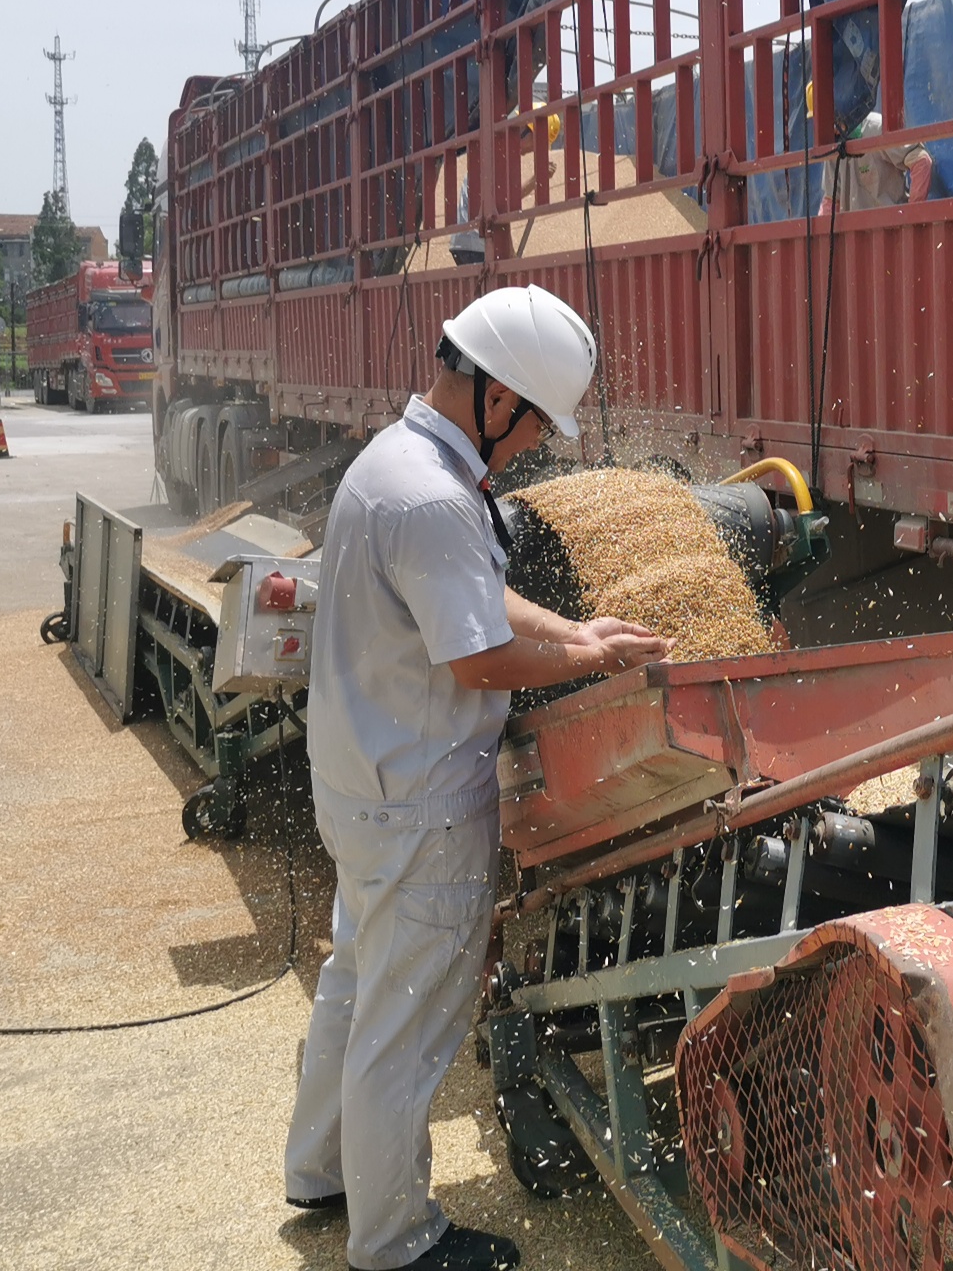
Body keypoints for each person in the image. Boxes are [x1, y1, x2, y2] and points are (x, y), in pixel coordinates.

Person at [284, 285, 668, 1271]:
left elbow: (474, 595)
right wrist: (589, 660)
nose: (535, 443)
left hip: (361, 780)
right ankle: (396, 1242)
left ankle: (320, 1170)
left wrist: (576, 630)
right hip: (419, 804)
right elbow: (478, 658)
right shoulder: (433, 497)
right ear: (497, 397)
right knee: (407, 1025)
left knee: (358, 983)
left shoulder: (396, 463)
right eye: (536, 422)